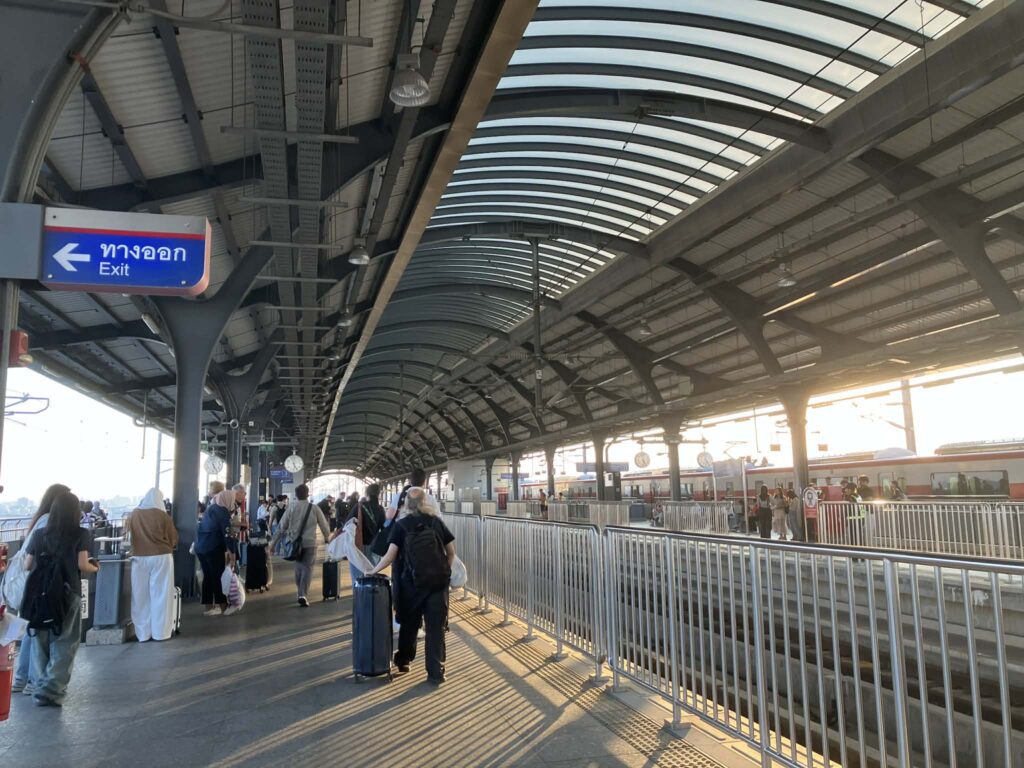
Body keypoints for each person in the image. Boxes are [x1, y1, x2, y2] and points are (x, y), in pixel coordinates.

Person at [367, 488, 455, 684]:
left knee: (409, 624)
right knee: (435, 628)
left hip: (410, 584)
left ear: (405, 503)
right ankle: (436, 672)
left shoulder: (401, 525)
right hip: (437, 584)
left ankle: (404, 660)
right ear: (425, 502)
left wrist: (373, 570)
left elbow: (390, 556)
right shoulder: (436, 522)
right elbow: (451, 552)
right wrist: (444, 572)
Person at [22, 491, 99, 706]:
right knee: (65, 641)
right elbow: (82, 565)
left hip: (40, 594)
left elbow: (27, 565)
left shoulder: (39, 535)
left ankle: (39, 685)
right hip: (68, 592)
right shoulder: (80, 534)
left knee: (41, 640)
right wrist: (95, 567)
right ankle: (51, 689)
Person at [11, 483, 70, 695]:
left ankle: (22, 679)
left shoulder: (40, 519)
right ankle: (27, 681)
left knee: (31, 629)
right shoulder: (48, 522)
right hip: (38, 584)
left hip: (32, 583)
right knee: (33, 632)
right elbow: (34, 556)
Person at [125, 488, 179, 642]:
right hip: (162, 556)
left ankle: (142, 633)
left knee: (140, 595)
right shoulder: (163, 515)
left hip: (139, 557)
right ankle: (160, 633)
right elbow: (173, 538)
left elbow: (128, 535)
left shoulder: (134, 514)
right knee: (161, 594)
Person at [270, 484, 330, 607]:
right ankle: (303, 594)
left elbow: (281, 527)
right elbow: (324, 526)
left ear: (296, 495)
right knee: (307, 568)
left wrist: (273, 544)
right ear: (307, 494)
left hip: (294, 543)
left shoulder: (291, 507)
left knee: (298, 568)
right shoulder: (314, 508)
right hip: (310, 544)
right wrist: (327, 538)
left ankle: (300, 592)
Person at [332, 484, 384, 586]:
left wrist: (336, 534)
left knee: (357, 576)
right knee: (371, 574)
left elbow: (347, 524)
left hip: (357, 546)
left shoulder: (359, 506)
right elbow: (383, 529)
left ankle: (358, 595)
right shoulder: (381, 509)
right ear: (379, 494)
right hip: (374, 547)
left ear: (367, 493)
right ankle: (369, 595)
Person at [195, 489, 236, 616]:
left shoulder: (210, 508)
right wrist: (232, 552)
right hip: (213, 547)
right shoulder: (223, 511)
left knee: (207, 576)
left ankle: (208, 607)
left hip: (201, 547)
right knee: (218, 576)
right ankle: (223, 607)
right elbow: (227, 533)